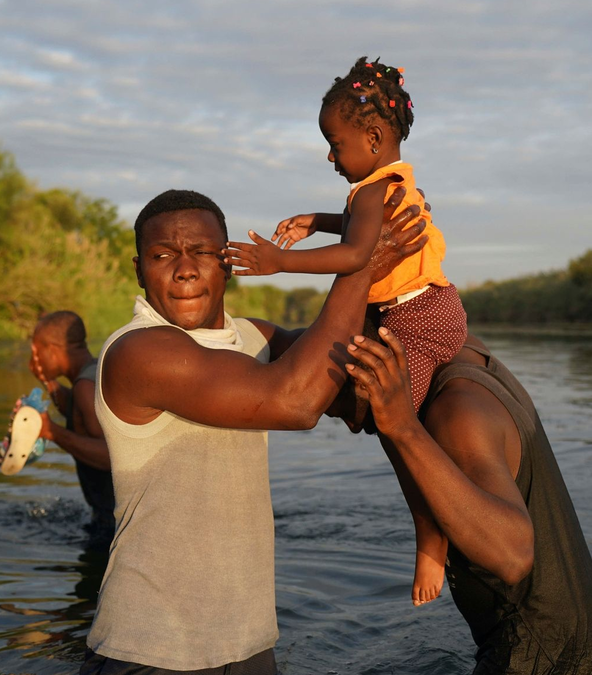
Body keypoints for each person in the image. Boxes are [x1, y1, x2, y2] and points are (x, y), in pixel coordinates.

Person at [80, 187, 426, 675]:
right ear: (139, 270)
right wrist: (362, 264)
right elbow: (297, 402)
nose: (185, 269)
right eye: (163, 256)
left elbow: (344, 391)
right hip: (150, 649)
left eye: (202, 252)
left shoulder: (254, 337)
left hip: (248, 644)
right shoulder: (137, 352)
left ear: (227, 263)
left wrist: (411, 288)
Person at [224, 56, 464, 606]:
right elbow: (359, 225)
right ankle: (432, 530)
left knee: (398, 427)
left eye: (335, 143)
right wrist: (317, 218)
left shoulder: (375, 191)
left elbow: (359, 251)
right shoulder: (383, 185)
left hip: (418, 320)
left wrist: (280, 262)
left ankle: (433, 538)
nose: (330, 156)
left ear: (374, 137)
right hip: (418, 309)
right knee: (379, 411)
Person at [339, 324, 592, 674]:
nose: (349, 424)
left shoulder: (457, 413)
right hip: (577, 625)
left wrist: (402, 426)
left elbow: (514, 557)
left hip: (539, 650)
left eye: (337, 407)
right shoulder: (462, 351)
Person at [27, 311, 114, 534]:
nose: (33, 357)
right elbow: (81, 419)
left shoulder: (85, 387)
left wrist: (51, 431)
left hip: (115, 524)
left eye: (36, 351)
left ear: (52, 351)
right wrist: (47, 380)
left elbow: (111, 456)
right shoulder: (92, 373)